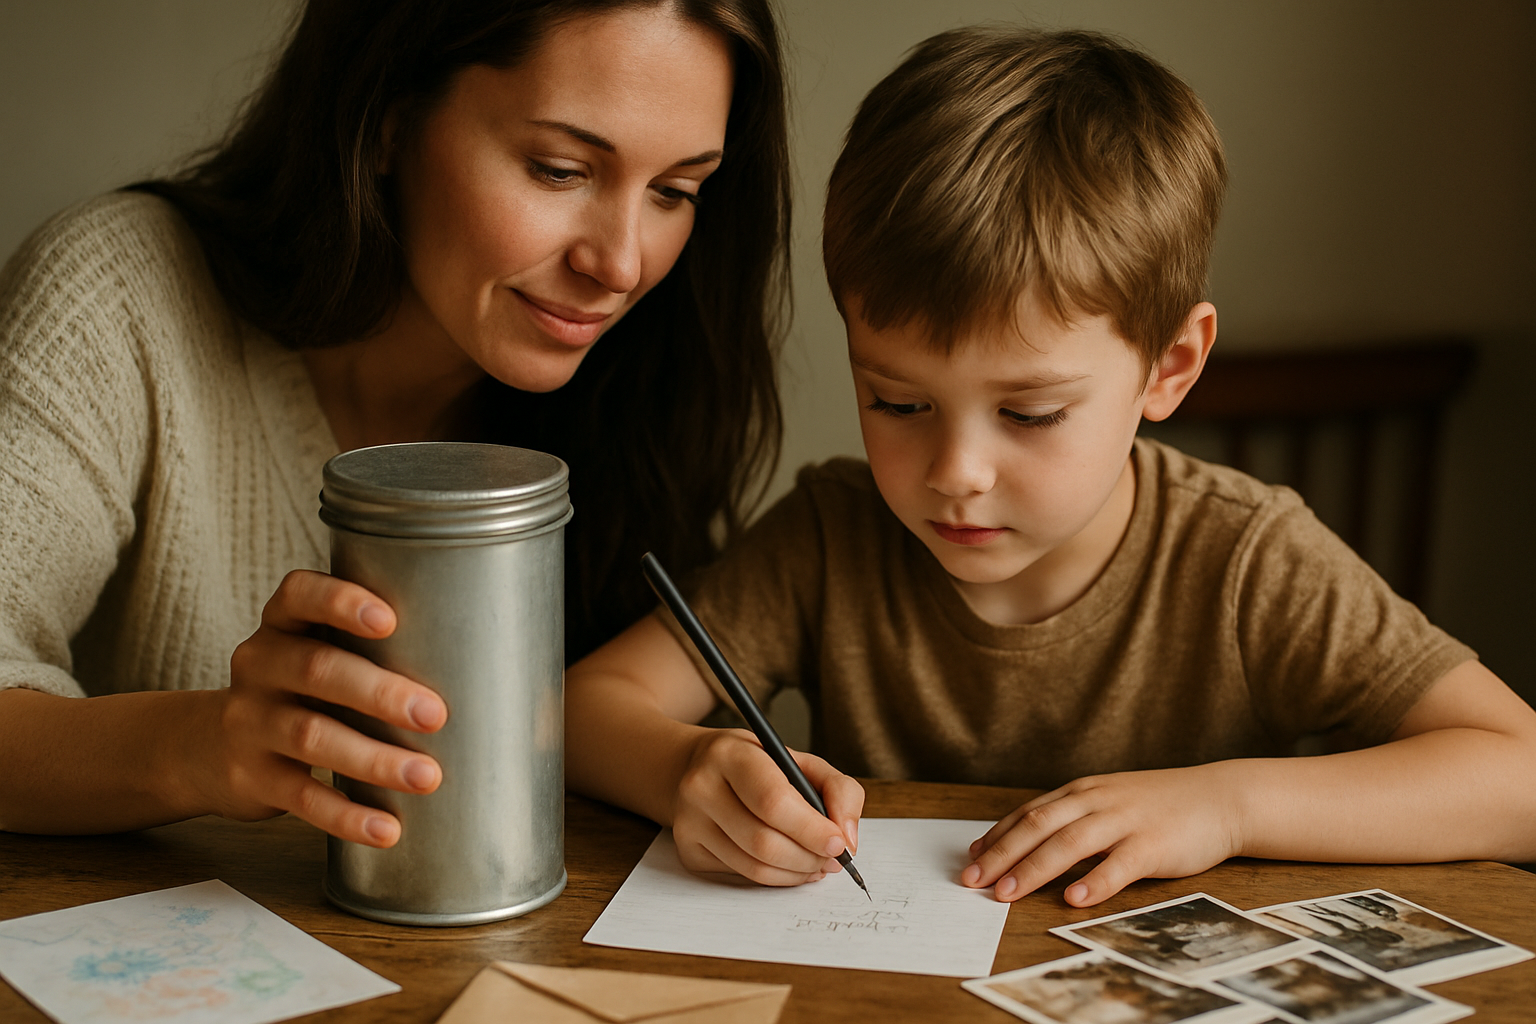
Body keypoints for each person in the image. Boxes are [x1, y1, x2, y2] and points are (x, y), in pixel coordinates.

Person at [564, 26, 1536, 906]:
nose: (957, 471)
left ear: (1171, 367)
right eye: (898, 402)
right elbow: (579, 709)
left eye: (1029, 412)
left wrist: (1227, 807)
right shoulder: (830, 535)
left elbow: (1520, 773)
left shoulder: (1245, 555)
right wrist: (690, 766)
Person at [0, 0, 789, 849]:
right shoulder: (118, 298)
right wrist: (198, 745)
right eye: (560, 169)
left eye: (675, 191)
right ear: (385, 120)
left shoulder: (646, 389)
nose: (622, 263)